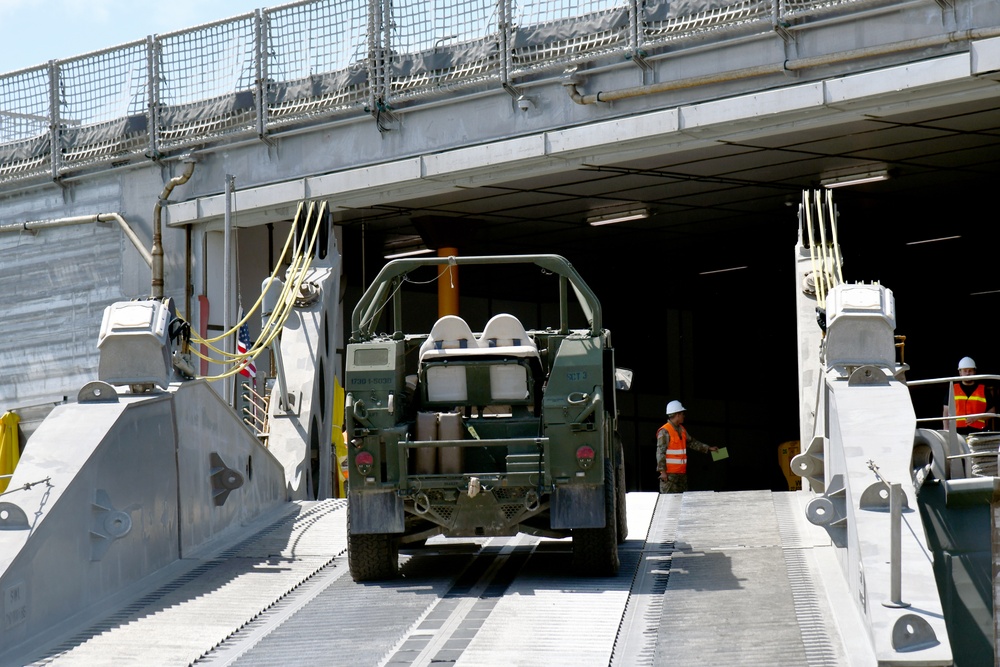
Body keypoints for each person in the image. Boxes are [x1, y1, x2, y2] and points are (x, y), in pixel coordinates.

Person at [656, 400, 719, 494]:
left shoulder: (682, 430)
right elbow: (660, 452)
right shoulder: (665, 431)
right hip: (669, 476)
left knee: (681, 502)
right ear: (677, 414)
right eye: (682, 414)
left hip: (681, 475)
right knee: (669, 502)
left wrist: (708, 448)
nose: (684, 416)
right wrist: (662, 471)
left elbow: (692, 442)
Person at [943, 356, 996, 435]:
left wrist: (977, 417)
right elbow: (946, 412)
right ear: (960, 372)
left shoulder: (983, 389)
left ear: (974, 372)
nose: (968, 373)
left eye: (970, 370)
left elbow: (992, 411)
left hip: (979, 433)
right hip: (957, 433)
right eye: (965, 371)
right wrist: (946, 431)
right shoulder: (953, 389)